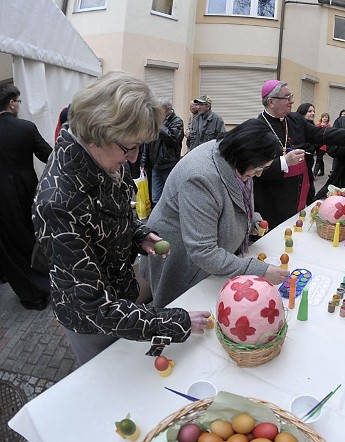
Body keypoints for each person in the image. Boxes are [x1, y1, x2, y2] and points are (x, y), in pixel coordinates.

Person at [32, 72, 212, 364]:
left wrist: (138, 235)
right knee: (112, 379)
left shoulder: (104, 159)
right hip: (93, 321)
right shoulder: (59, 202)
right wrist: (173, 322)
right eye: (131, 147)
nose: (133, 158)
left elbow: (116, 216)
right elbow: (91, 307)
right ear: (99, 131)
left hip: (121, 294)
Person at [140, 118, 290, 308]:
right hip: (181, 259)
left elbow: (234, 199)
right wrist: (259, 270)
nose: (259, 174)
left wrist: (251, 220)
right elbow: (203, 250)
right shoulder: (200, 177)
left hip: (208, 256)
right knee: (187, 312)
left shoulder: (234, 157)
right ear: (244, 155)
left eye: (264, 168)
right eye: (258, 168)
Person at [253, 80, 345, 228]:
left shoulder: (294, 119)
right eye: (287, 97)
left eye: (291, 96)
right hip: (274, 199)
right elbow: (254, 170)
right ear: (271, 101)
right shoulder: (256, 128)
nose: (292, 101)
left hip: (301, 190)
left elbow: (320, 133)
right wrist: (284, 162)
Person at [0, 84, 53, 310]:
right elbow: (49, 156)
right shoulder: (26, 127)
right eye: (18, 102)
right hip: (24, 192)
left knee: (8, 243)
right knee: (30, 240)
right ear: (12, 103)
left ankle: (25, 288)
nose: (19, 105)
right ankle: (40, 289)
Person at [140, 97, 184, 206]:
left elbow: (173, 139)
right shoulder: (156, 122)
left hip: (168, 164)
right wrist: (143, 162)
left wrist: (159, 124)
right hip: (155, 164)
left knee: (169, 195)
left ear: (168, 109)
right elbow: (148, 142)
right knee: (155, 196)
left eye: (159, 109)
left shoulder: (177, 121)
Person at [294, 102, 318, 189]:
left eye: (313, 111)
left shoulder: (313, 127)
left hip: (309, 163)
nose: (313, 113)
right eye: (310, 111)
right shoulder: (297, 127)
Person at [314, 112, 332, 177]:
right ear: (321, 117)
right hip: (316, 145)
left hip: (324, 145)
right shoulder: (317, 125)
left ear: (328, 119)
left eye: (326, 117)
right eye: (323, 117)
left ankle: (314, 174)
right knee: (320, 158)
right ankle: (322, 171)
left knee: (318, 158)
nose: (324, 118)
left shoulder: (329, 127)